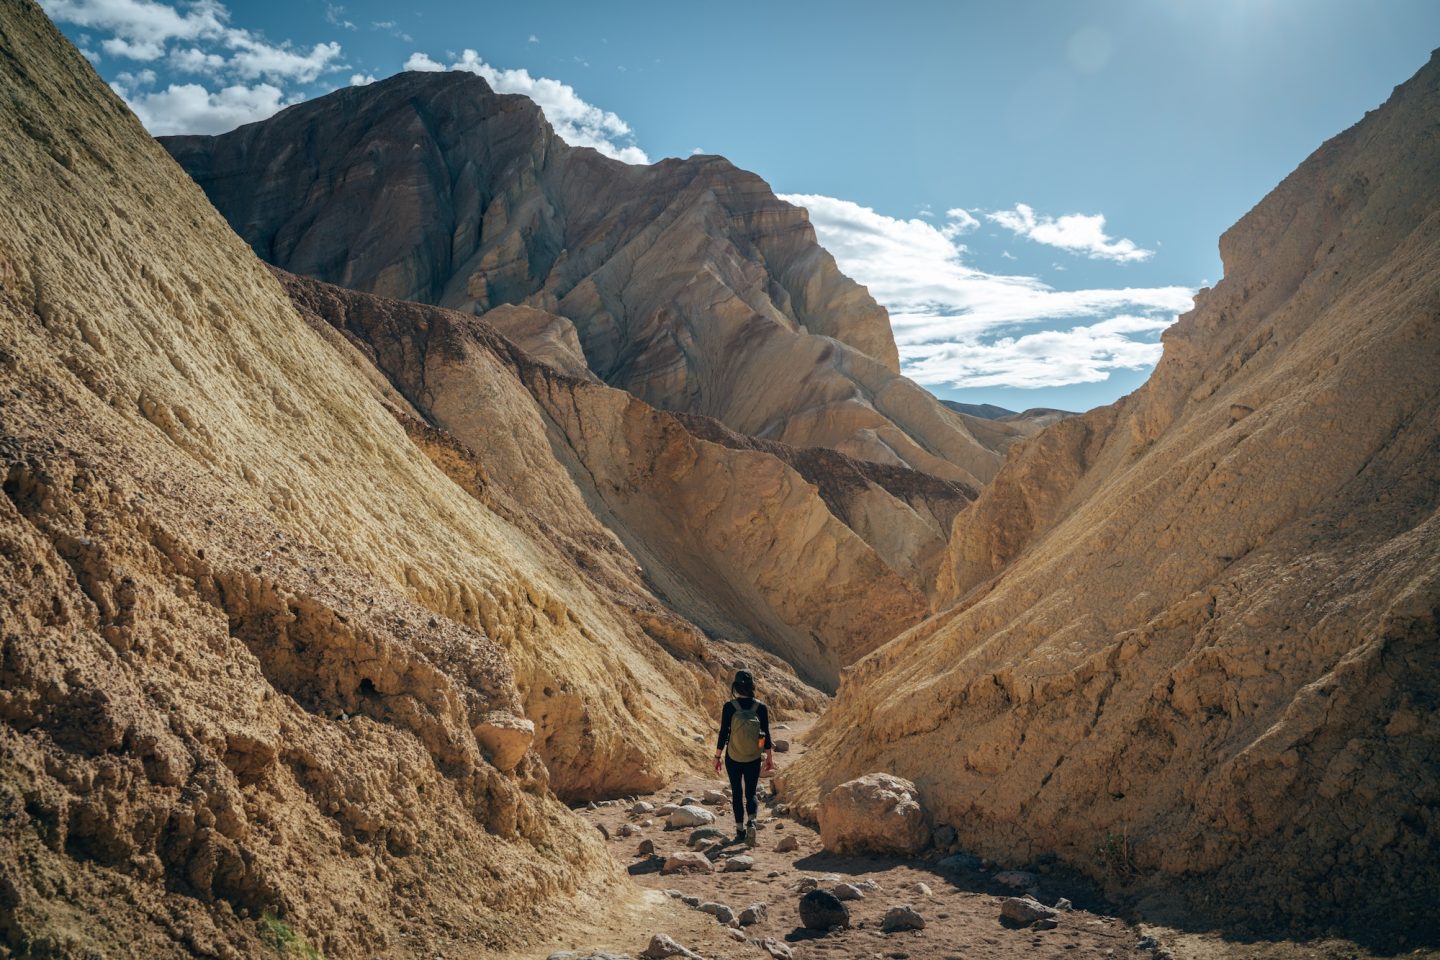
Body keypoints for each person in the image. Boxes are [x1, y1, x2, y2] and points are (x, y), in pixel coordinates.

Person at [712, 669, 774, 845]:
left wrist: (717, 757)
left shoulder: (729, 707)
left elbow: (723, 734)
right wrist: (767, 756)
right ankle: (752, 821)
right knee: (751, 792)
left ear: (736, 687)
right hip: (753, 757)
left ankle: (740, 831)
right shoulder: (760, 707)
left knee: (737, 793)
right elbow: (764, 734)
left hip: (733, 757)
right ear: (752, 686)